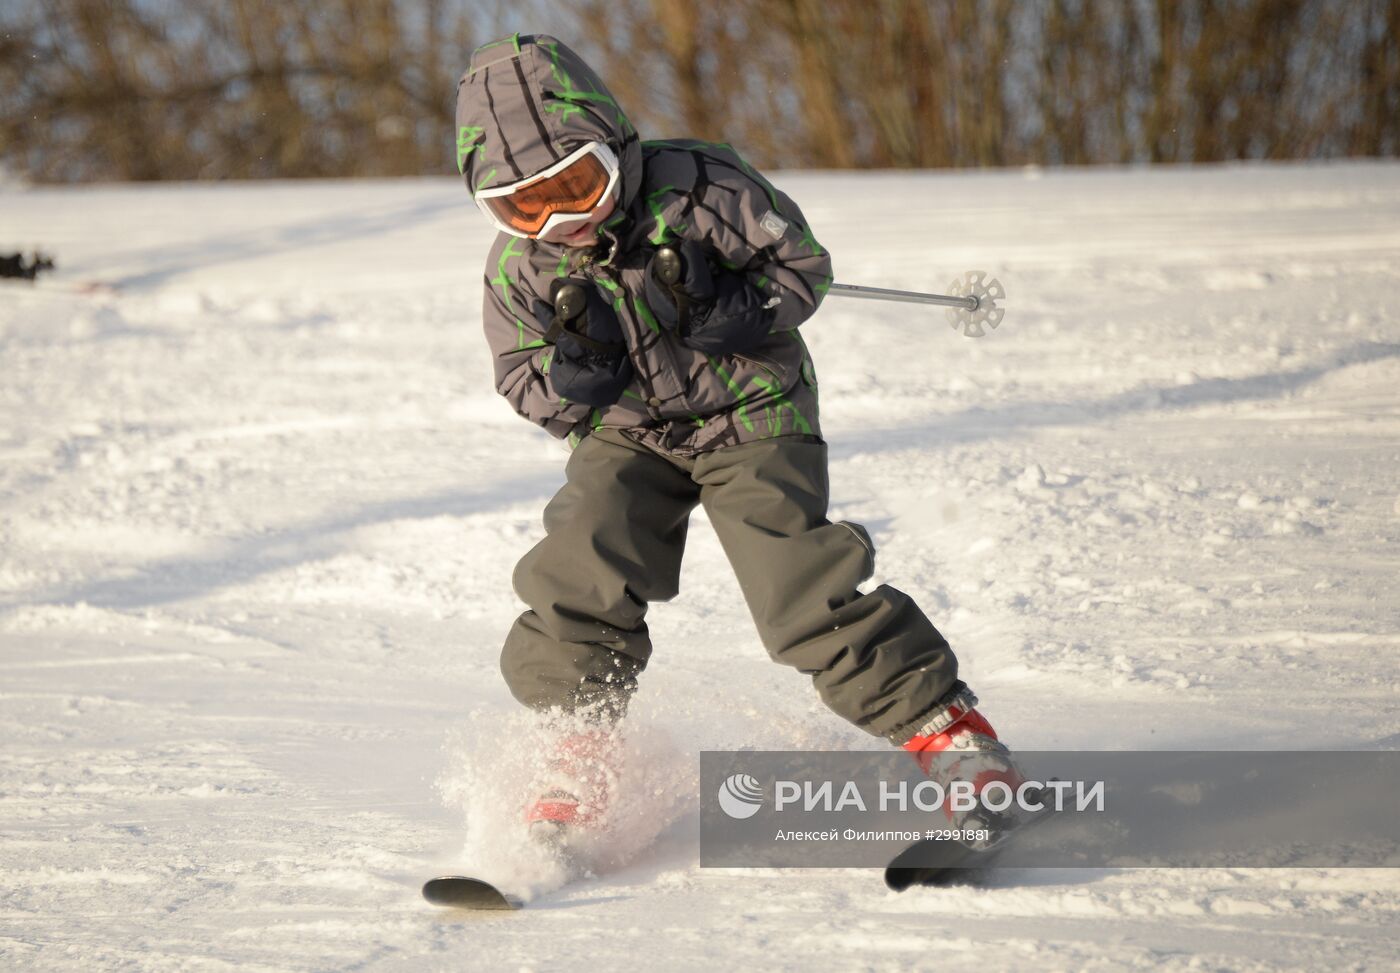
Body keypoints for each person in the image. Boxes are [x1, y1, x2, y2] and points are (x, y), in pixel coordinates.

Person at [454, 34, 1022, 842]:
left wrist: (743, 307)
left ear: (613, 146)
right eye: (523, 206)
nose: (559, 220)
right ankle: (569, 753)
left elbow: (803, 266)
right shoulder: (520, 268)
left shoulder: (702, 185)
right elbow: (522, 378)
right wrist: (577, 376)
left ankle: (956, 743)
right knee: (583, 553)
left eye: (577, 186)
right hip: (630, 433)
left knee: (795, 580)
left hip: (752, 411)